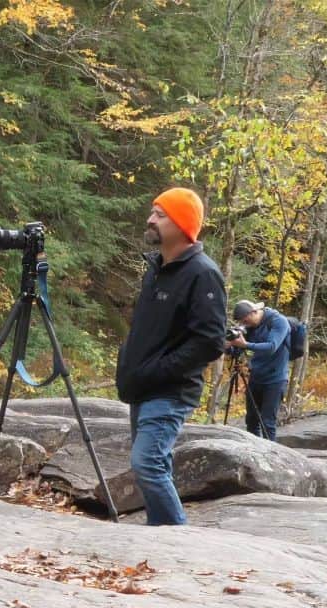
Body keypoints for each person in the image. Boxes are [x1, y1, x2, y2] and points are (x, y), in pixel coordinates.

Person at [115, 188, 227, 526]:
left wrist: (159, 370)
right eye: (153, 212)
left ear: (182, 224)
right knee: (151, 466)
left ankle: (178, 543)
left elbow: (210, 341)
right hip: (144, 386)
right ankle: (160, 538)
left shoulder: (202, 274)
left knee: (147, 463)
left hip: (169, 390)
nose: (150, 219)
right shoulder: (158, 268)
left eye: (160, 215)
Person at [227, 299, 290, 440]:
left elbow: (271, 347)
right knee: (251, 421)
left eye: (245, 320)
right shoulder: (250, 326)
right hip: (256, 377)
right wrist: (228, 346)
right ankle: (253, 455)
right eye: (242, 322)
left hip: (275, 379)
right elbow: (237, 351)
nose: (244, 324)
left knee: (267, 423)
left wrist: (245, 344)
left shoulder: (278, 321)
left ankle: (272, 457)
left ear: (254, 312)